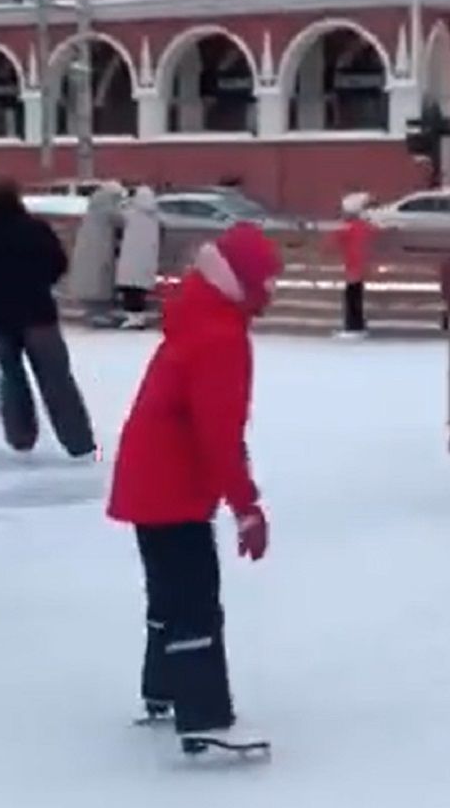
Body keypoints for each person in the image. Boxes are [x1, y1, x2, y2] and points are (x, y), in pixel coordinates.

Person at [108, 222, 279, 756]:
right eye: (267, 279)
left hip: (150, 477)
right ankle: (204, 715)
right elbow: (218, 433)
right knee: (194, 600)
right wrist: (246, 507)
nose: (272, 290)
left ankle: (163, 688)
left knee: (169, 591)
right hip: (172, 483)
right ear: (243, 280)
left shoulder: (200, 314)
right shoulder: (220, 337)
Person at [0, 180, 96, 457]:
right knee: (56, 376)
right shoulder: (33, 230)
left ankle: (20, 436)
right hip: (36, 310)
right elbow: (57, 263)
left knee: (11, 373)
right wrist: (38, 282)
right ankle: (78, 442)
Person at [69, 182, 125, 327]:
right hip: (101, 249)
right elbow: (122, 220)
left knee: (92, 279)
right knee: (100, 280)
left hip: (90, 249)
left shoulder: (94, 206)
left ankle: (94, 312)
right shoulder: (108, 208)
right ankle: (99, 313)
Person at [329, 193, 377, 339]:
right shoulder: (365, 227)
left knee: (352, 296)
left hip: (353, 267)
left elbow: (333, 242)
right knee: (355, 295)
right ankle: (356, 325)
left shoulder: (349, 228)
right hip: (359, 266)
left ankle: (353, 326)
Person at [115, 185, 162, 330]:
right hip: (146, 258)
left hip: (130, 256)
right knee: (139, 290)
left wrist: (125, 202)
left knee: (129, 289)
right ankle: (139, 317)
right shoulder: (154, 216)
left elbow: (117, 217)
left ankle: (132, 317)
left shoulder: (132, 214)